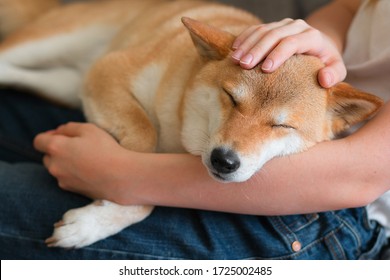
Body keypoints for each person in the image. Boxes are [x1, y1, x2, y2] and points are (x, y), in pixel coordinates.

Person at [1, 0, 389, 259]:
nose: (234, 142)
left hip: (319, 213)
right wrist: (318, 44)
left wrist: (126, 178)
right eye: (233, 102)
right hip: (268, 85)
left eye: (276, 126)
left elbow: (358, 176)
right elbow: (352, 5)